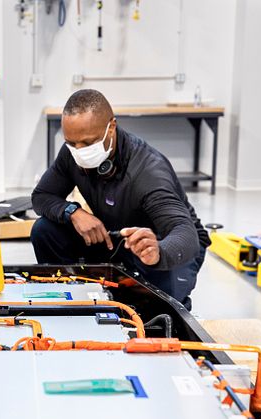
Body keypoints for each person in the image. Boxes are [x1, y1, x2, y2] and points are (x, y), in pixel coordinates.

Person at [31, 89, 210, 310]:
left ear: (111, 128)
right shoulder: (72, 152)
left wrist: (158, 252)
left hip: (165, 244)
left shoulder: (147, 171)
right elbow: (41, 196)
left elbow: (185, 232)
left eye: (88, 143)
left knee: (158, 307)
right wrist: (73, 212)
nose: (79, 152)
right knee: (44, 230)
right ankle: (72, 296)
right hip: (118, 236)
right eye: (71, 143)